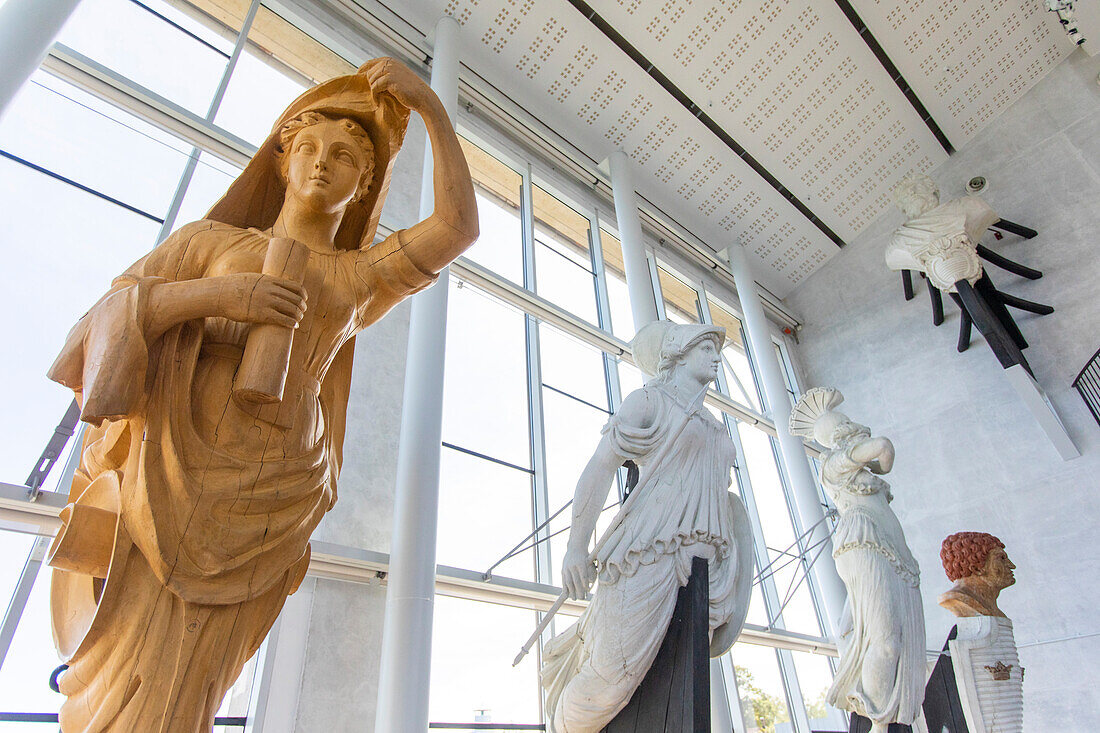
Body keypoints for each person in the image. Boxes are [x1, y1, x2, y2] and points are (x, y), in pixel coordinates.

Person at [44, 58, 477, 732]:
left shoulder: (356, 278)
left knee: (198, 677)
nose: (321, 164)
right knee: (127, 663)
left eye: (343, 157)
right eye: (306, 147)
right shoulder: (210, 242)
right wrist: (221, 294)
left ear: (364, 185)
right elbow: (98, 324)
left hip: (276, 489)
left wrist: (431, 109)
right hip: (170, 469)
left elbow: (455, 228)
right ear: (281, 161)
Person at [541, 319, 754, 733]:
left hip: (707, 568)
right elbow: (600, 468)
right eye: (704, 348)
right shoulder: (648, 401)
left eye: (716, 350)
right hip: (649, 553)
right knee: (609, 681)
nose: (715, 357)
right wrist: (575, 547)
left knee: (678, 688)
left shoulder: (715, 425)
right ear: (677, 353)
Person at [789, 387, 924, 733]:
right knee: (887, 641)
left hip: (890, 546)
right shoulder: (834, 465)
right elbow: (883, 447)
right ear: (837, 435)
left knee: (894, 637)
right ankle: (878, 721)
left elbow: (885, 461)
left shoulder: (863, 473)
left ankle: (877, 704)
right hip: (863, 543)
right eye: (844, 424)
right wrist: (858, 436)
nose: (851, 425)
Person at [939, 531, 1016, 618]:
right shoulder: (958, 599)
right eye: (1001, 558)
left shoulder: (993, 611)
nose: (1012, 566)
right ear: (977, 568)